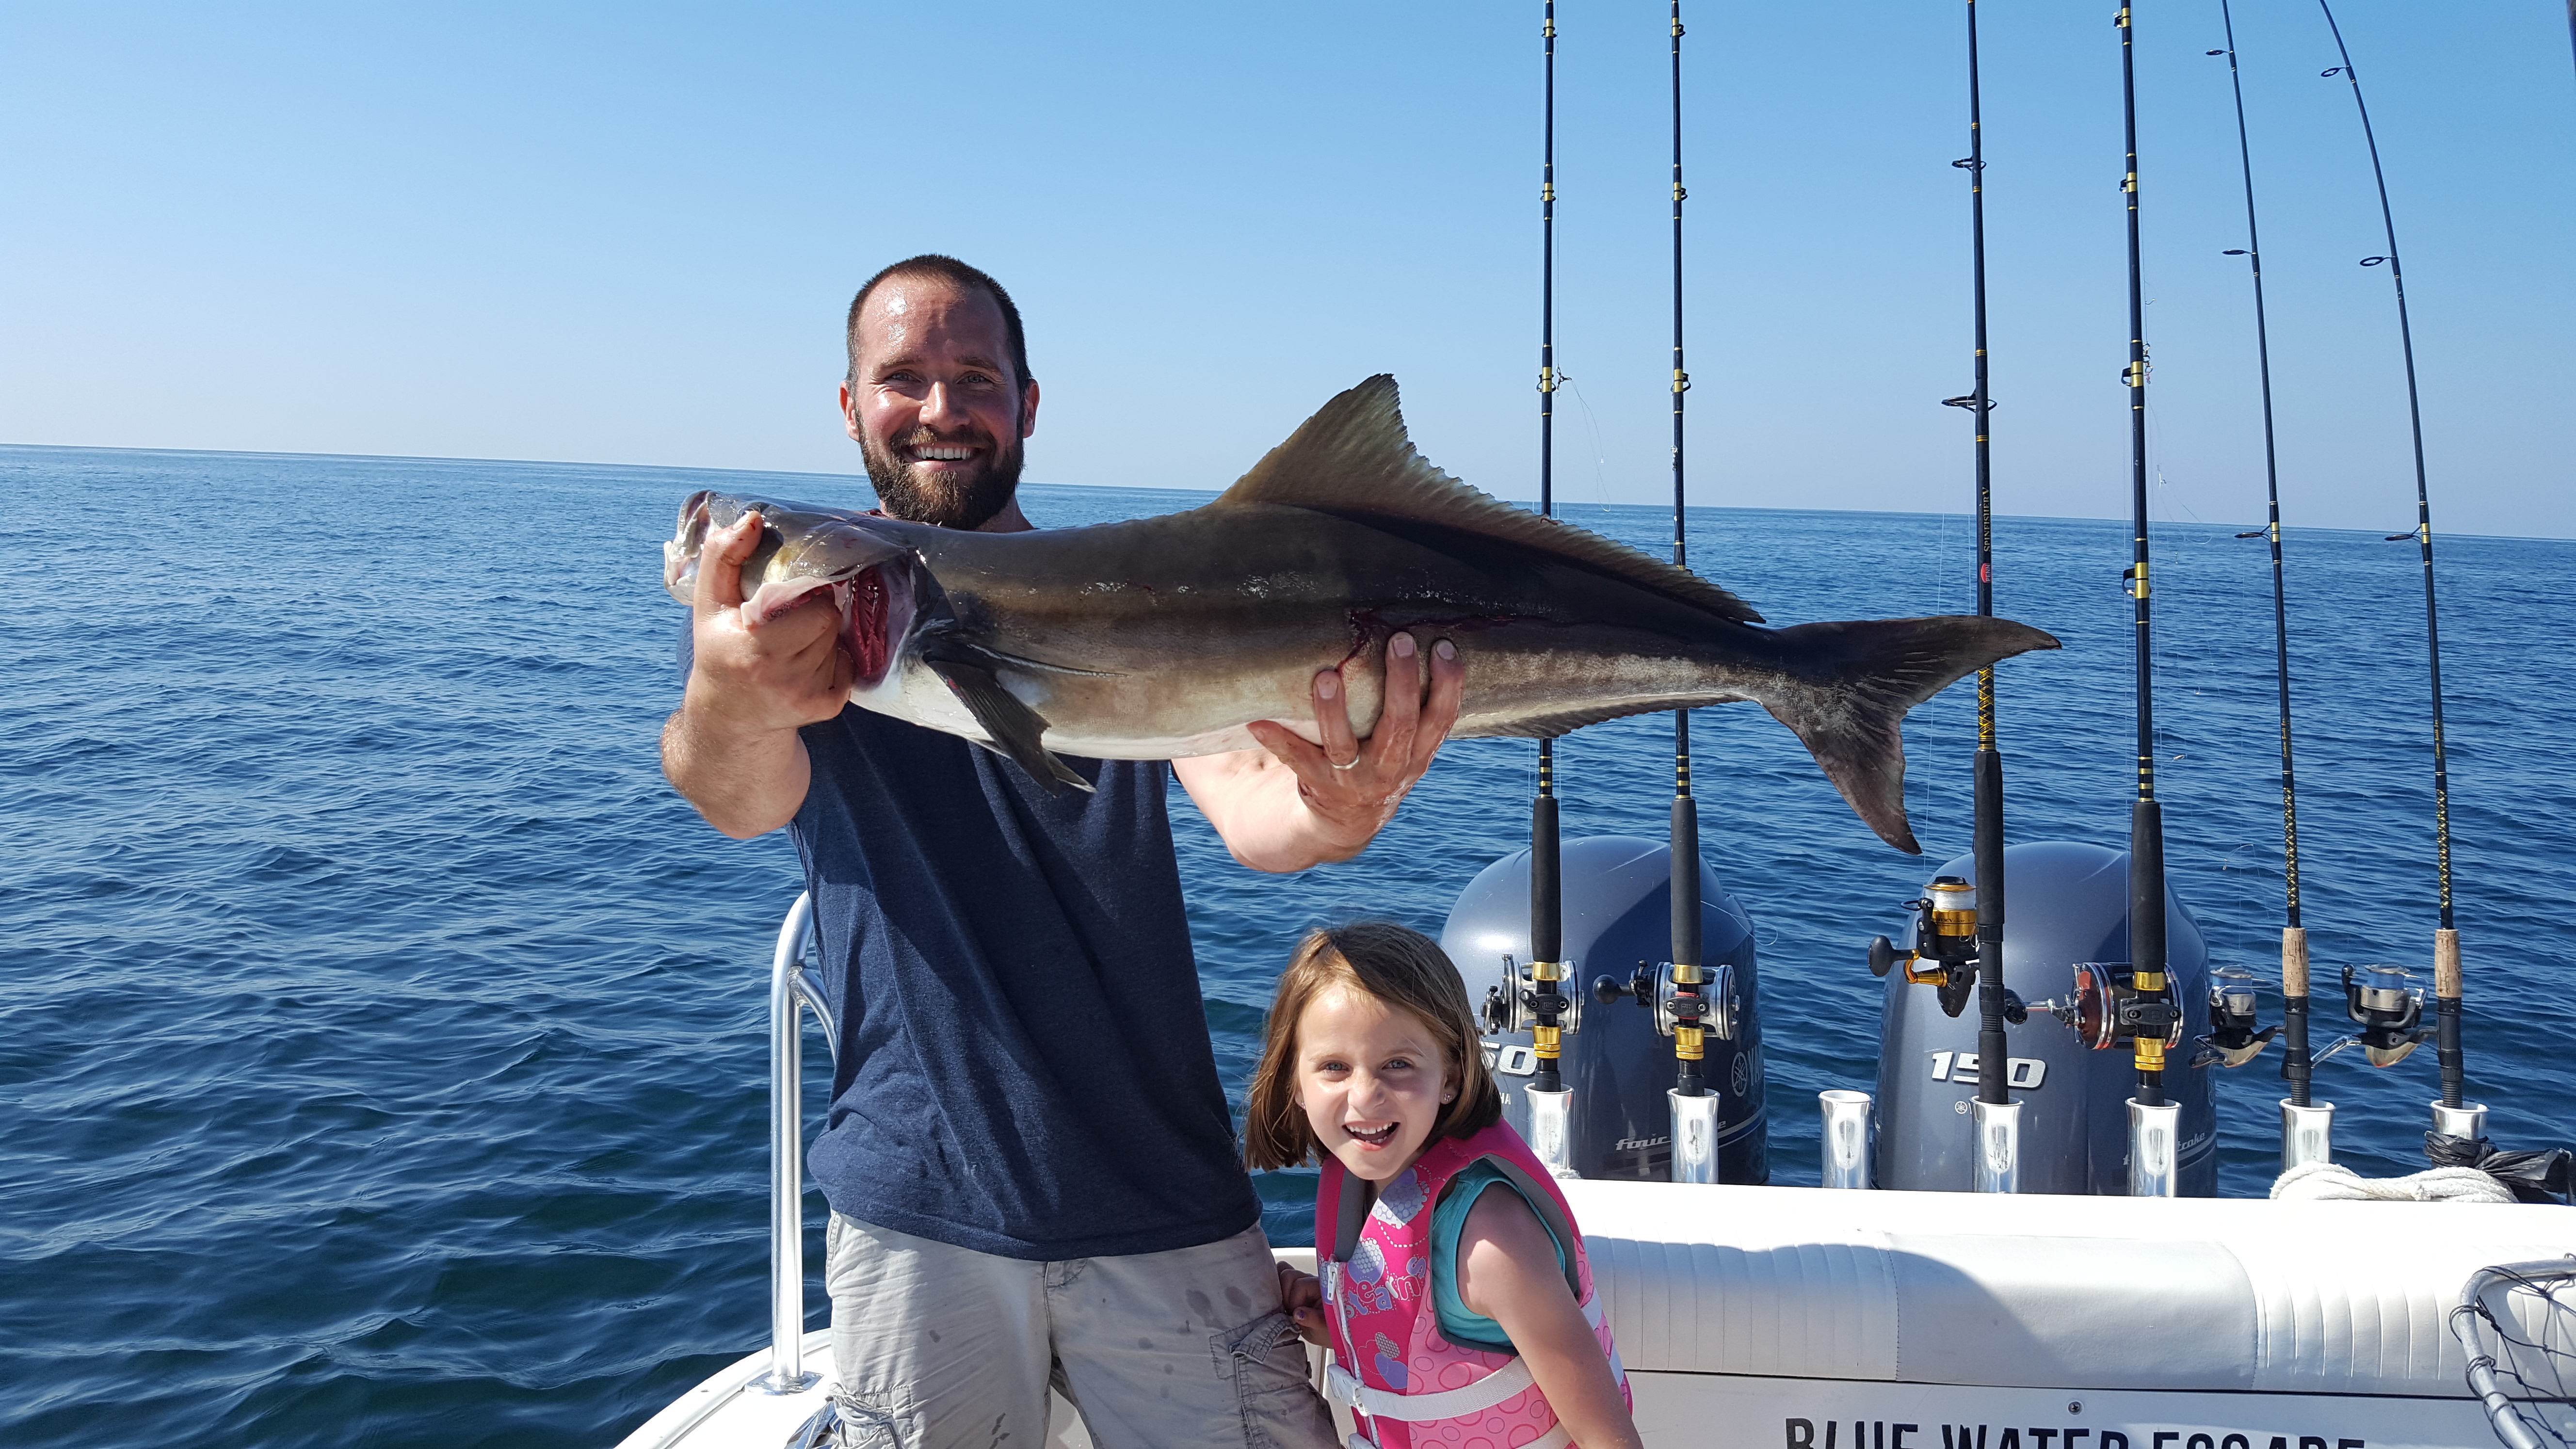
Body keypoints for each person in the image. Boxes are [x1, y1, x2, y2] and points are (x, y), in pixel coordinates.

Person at [660, 254, 1466, 1449]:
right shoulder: (801, 639)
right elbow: (728, 788)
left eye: (973, 377)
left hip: (1162, 1191)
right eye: (903, 378)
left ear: (1027, 403)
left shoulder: (1141, 598)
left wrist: (1346, 806)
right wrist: (728, 684)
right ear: (850, 406)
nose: (939, 408)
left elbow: (1259, 811)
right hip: (916, 1208)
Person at [1251, 923, 1641, 1449]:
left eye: (1397, 1065)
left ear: (1451, 1077)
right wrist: (1335, 1320)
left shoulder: (1492, 1244)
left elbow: (1609, 1439)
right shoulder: (1365, 1188)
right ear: (1295, 1083)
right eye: (1334, 1067)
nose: (1364, 1097)